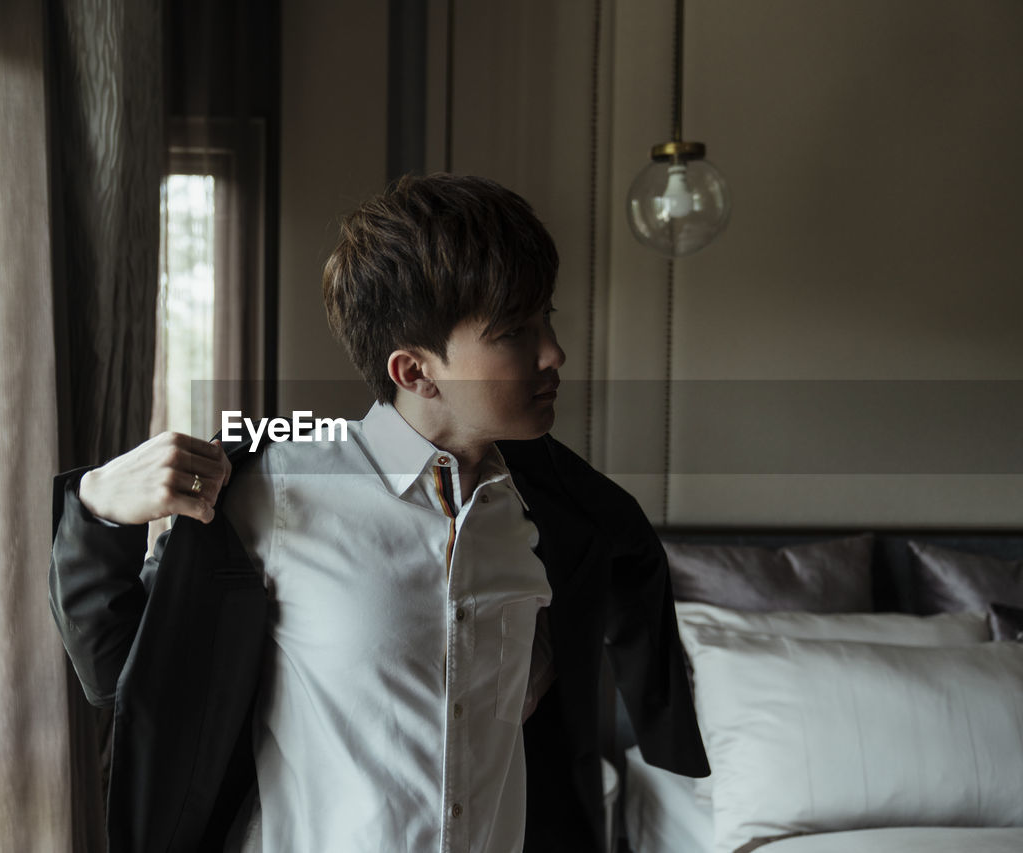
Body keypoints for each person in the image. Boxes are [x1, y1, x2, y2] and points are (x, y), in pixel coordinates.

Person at [49, 173, 708, 853]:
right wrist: (98, 510)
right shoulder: (278, 491)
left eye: (548, 317)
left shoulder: (560, 515)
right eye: (514, 331)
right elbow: (126, 675)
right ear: (415, 372)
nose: (552, 353)